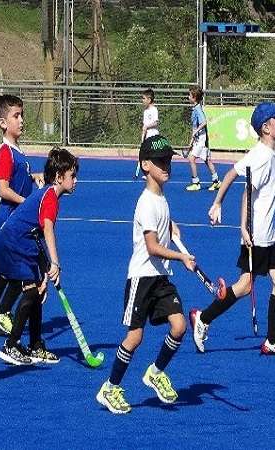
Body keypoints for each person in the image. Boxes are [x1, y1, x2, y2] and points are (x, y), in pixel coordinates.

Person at [189, 102, 275, 356]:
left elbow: (230, 174)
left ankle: (272, 341)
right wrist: (243, 227)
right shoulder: (261, 158)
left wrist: (217, 203)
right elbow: (246, 192)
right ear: (265, 127)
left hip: (269, 235)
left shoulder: (263, 153)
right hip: (257, 235)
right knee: (245, 286)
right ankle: (203, 318)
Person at [96, 135, 193, 414]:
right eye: (161, 161)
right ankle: (110, 387)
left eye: (169, 160)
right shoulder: (146, 202)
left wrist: (171, 226)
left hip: (161, 277)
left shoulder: (161, 197)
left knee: (179, 326)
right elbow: (151, 247)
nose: (167, 165)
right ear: (145, 165)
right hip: (142, 277)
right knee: (135, 337)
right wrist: (181, 257)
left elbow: (159, 226)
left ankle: (155, 371)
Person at [0, 147, 78, 366]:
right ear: (59, 177)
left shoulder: (50, 195)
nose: (76, 180)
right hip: (15, 242)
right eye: (72, 175)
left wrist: (44, 272)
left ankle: (35, 345)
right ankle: (11, 345)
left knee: (38, 292)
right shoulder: (50, 196)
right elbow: (47, 229)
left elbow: (39, 234)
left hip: (26, 242)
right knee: (31, 293)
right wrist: (55, 263)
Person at [0, 95, 44, 338]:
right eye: (16, 116)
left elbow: (18, 179)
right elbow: (3, 189)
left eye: (22, 115)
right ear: (4, 123)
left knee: (18, 268)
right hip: (8, 218)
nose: (22, 120)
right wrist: (27, 203)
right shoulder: (5, 152)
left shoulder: (18, 152)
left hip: (18, 219)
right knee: (12, 269)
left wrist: (33, 177)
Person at [185, 85, 221, 191]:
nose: (188, 97)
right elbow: (194, 127)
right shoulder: (195, 109)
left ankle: (196, 183)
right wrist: (191, 141)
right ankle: (216, 182)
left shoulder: (197, 109)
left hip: (201, 139)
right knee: (207, 160)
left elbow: (204, 122)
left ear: (194, 97)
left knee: (191, 158)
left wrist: (196, 132)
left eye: (189, 95)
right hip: (199, 139)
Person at [135, 88, 160, 179]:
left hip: (153, 135)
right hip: (147, 136)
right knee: (147, 156)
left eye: (144, 98)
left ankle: (156, 172)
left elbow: (156, 123)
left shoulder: (154, 110)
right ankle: (150, 173)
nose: (142, 100)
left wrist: (147, 126)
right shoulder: (145, 111)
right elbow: (144, 126)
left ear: (149, 100)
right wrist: (142, 138)